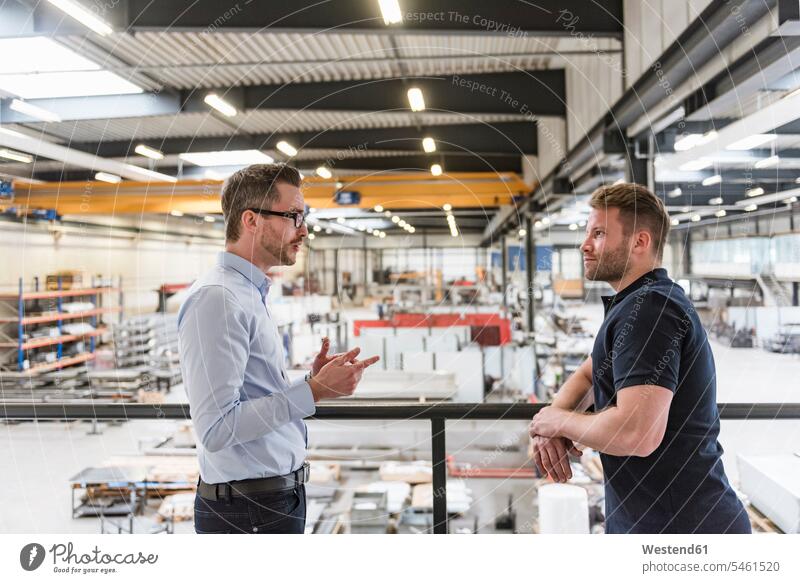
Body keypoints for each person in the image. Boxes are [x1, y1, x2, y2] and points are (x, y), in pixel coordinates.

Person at [529, 183, 750, 534]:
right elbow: (589, 375)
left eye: (599, 234)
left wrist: (557, 423)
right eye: (588, 233)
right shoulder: (636, 304)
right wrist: (552, 424)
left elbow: (638, 432)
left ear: (640, 242)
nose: (585, 245)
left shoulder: (650, 310)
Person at [178, 163, 379, 534]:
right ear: (251, 220)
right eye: (293, 216)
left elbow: (254, 392)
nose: (303, 230)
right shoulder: (219, 299)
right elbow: (217, 428)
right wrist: (313, 393)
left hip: (268, 502)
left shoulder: (248, 293)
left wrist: (310, 381)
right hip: (247, 512)